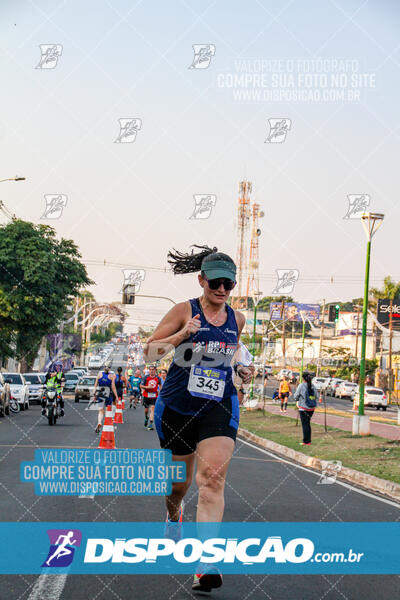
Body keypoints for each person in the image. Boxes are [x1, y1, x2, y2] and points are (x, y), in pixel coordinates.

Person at [145, 245, 254, 593]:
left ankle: (205, 563)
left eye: (229, 284)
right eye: (216, 283)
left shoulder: (237, 319)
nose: (222, 290)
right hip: (178, 407)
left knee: (212, 481)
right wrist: (182, 335)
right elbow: (150, 352)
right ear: (201, 280)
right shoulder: (183, 310)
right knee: (180, 485)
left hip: (218, 406)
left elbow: (232, 349)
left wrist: (240, 366)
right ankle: (173, 512)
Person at [93, 366, 119, 433]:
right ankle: (107, 424)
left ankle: (99, 422)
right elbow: (113, 387)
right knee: (108, 410)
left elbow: (95, 386)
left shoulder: (99, 375)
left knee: (100, 410)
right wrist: (116, 396)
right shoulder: (112, 376)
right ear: (109, 369)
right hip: (108, 394)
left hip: (100, 394)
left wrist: (94, 394)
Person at [294, 371, 317, 445]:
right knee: (308, 424)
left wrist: (298, 399)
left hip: (303, 408)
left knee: (305, 425)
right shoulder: (313, 386)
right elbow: (316, 396)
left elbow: (296, 396)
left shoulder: (301, 385)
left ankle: (306, 441)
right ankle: (308, 441)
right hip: (311, 408)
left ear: (303, 378)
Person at [140, 365, 161, 430]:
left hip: (154, 396)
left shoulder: (158, 378)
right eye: (150, 369)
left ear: (155, 370)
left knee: (152, 408)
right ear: (149, 370)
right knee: (146, 410)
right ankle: (146, 418)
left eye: (153, 369)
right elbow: (141, 385)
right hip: (146, 395)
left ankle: (151, 423)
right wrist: (147, 387)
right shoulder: (145, 377)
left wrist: (160, 392)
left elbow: (160, 386)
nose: (151, 371)